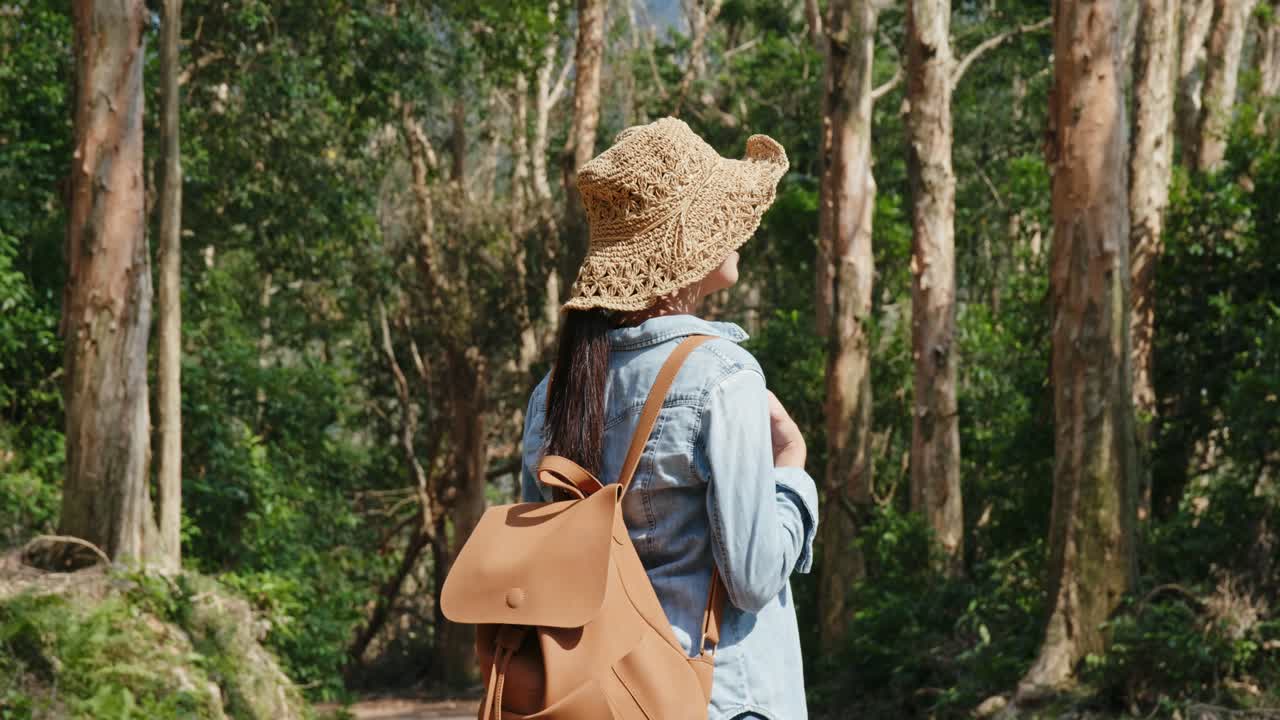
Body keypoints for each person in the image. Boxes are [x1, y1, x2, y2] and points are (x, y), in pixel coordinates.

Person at [520, 117, 818, 720]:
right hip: (719, 697)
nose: (737, 233)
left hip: (599, 700)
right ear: (689, 246)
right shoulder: (722, 374)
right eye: (720, 217)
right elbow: (754, 579)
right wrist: (791, 471)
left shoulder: (555, 391)